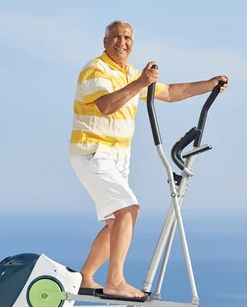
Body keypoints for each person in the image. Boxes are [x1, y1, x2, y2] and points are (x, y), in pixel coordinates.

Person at [68, 20, 228, 300]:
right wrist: (141, 82)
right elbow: (106, 106)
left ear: (133, 43)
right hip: (94, 152)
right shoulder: (96, 70)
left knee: (117, 220)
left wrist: (209, 85)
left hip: (116, 157)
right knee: (128, 211)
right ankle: (114, 282)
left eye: (127, 37)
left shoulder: (128, 73)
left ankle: (85, 277)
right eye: (115, 37)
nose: (122, 41)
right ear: (105, 42)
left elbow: (170, 93)